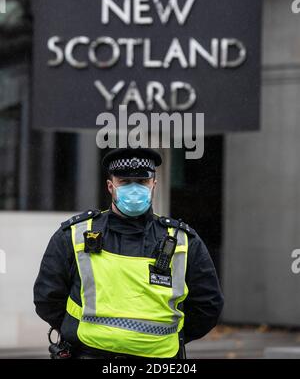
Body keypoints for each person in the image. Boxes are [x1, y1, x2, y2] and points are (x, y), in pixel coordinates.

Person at [34, 147, 224, 359]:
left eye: (142, 182)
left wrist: (168, 339)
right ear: (110, 186)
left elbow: (208, 305)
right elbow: (47, 297)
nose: (134, 189)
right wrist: (75, 333)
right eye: (125, 182)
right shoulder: (75, 234)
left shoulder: (184, 241)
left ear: (154, 185)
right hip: (89, 353)